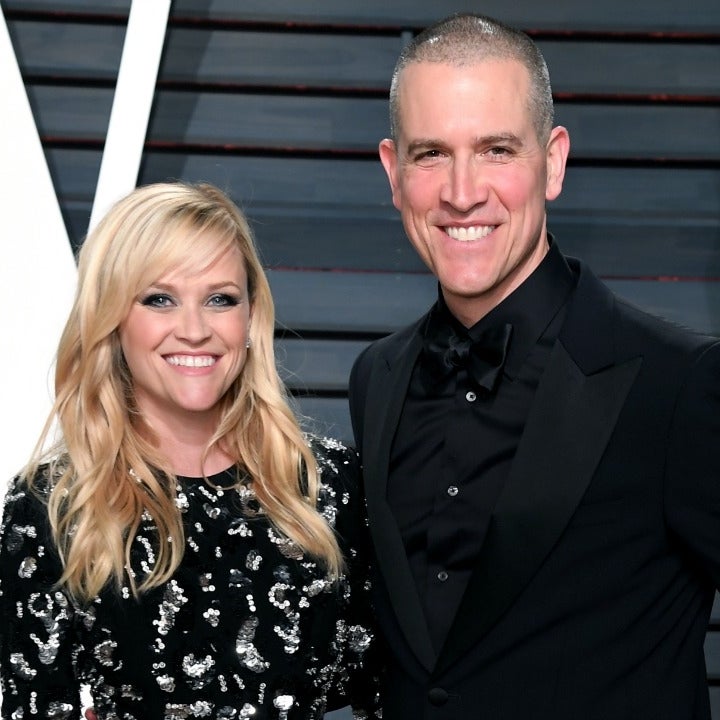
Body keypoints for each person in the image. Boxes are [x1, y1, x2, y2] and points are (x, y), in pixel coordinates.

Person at [348, 12, 720, 719]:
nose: (462, 191)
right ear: (394, 173)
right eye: (431, 154)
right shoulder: (376, 379)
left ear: (553, 162)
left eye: (496, 150)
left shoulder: (679, 384)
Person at [0, 181, 381, 719]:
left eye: (220, 299)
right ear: (113, 318)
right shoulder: (53, 505)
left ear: (250, 317)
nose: (195, 330)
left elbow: (391, 692)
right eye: (160, 299)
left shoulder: (329, 485)